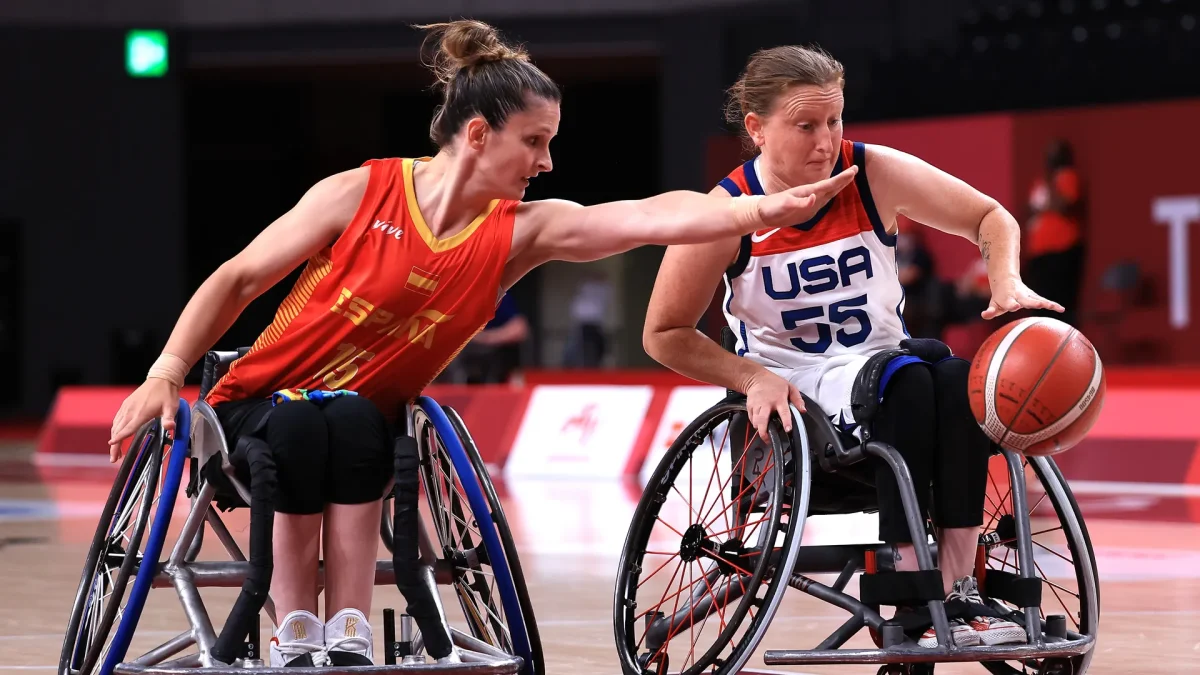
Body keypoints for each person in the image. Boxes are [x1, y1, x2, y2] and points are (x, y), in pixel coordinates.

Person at [105, 21, 859, 668]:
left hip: (360, 421)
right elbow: (238, 278)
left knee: (359, 421)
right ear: (476, 134)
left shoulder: (519, 234)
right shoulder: (359, 192)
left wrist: (760, 207)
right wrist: (167, 371)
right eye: (534, 141)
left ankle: (350, 627)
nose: (546, 161)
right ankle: (296, 627)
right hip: (259, 407)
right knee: (313, 420)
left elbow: (641, 216)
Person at [642, 44, 1063, 649]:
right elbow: (664, 332)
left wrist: (1007, 282)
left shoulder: (870, 171)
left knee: (959, 379)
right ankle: (911, 594)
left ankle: (958, 584)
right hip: (796, 391)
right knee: (913, 382)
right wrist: (750, 378)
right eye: (805, 125)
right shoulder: (727, 211)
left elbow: (990, 218)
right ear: (757, 129)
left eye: (835, 120)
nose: (825, 140)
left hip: (883, 367)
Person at [1023, 139, 1086, 327]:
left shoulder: (1067, 177)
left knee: (1060, 305)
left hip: (1061, 251)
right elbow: (1030, 209)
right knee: (1039, 307)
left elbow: (1064, 205)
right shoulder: (1039, 182)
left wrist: (1050, 190)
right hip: (1039, 255)